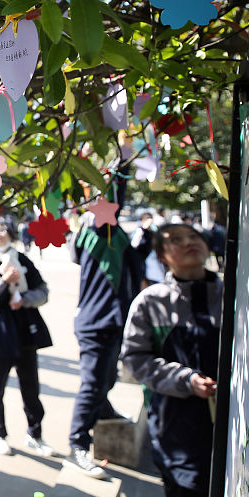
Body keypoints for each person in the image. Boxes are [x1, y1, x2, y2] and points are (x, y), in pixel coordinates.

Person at [121, 224, 221, 497]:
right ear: (163, 257)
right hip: (177, 430)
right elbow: (135, 360)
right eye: (175, 240)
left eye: (193, 236)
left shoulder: (236, 294)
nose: (189, 243)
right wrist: (186, 380)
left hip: (232, 427)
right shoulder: (151, 302)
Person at [65, 199, 143, 479]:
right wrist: (120, 161)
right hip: (94, 323)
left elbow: (138, 267)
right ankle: (77, 444)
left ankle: (104, 411)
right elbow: (111, 198)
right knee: (93, 382)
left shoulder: (120, 239)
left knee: (108, 377)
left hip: (115, 321)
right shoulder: (92, 235)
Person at [0, 221, 54, 457]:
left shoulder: (24, 260)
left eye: (3, 230)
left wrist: (25, 299)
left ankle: (35, 434)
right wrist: (4, 281)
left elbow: (43, 291)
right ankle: (0, 435)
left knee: (31, 386)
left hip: (26, 328)